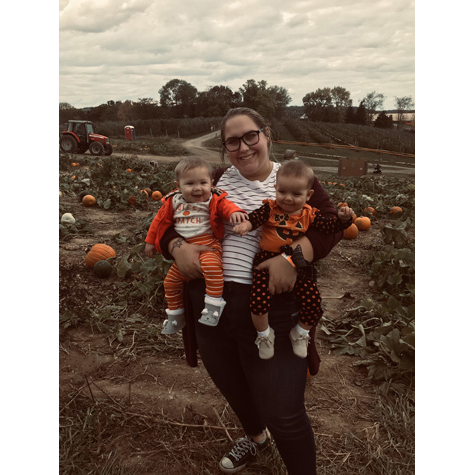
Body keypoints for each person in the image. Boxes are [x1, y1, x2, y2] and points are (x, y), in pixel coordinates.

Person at [154, 107, 345, 474]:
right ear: (224, 148)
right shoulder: (214, 179)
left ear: (266, 135)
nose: (243, 147)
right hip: (210, 303)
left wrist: (291, 260)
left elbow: (329, 227)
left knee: (283, 411)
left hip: (271, 306)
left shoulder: (290, 177)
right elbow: (166, 218)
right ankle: (256, 438)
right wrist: (177, 249)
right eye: (232, 141)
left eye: (250, 136)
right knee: (233, 385)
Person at [233, 160, 354, 360]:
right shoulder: (269, 209)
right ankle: (264, 334)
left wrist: (343, 220)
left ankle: (300, 332)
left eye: (296, 194)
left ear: (308, 195)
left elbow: (328, 227)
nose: (288, 199)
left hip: (298, 263)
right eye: (282, 192)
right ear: (275, 189)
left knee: (313, 300)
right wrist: (245, 226)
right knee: (257, 301)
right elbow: (254, 218)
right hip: (266, 259)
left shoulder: (310, 215)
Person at [144, 156, 247, 333]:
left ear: (211, 183)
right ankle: (176, 315)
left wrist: (235, 212)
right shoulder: (173, 201)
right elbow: (158, 222)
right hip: (184, 251)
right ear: (178, 185)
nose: (198, 188)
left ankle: (213, 306)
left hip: (208, 247)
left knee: (213, 268)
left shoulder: (213, 199)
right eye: (190, 183)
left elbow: (226, 206)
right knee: (170, 282)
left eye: (203, 182)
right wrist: (150, 241)